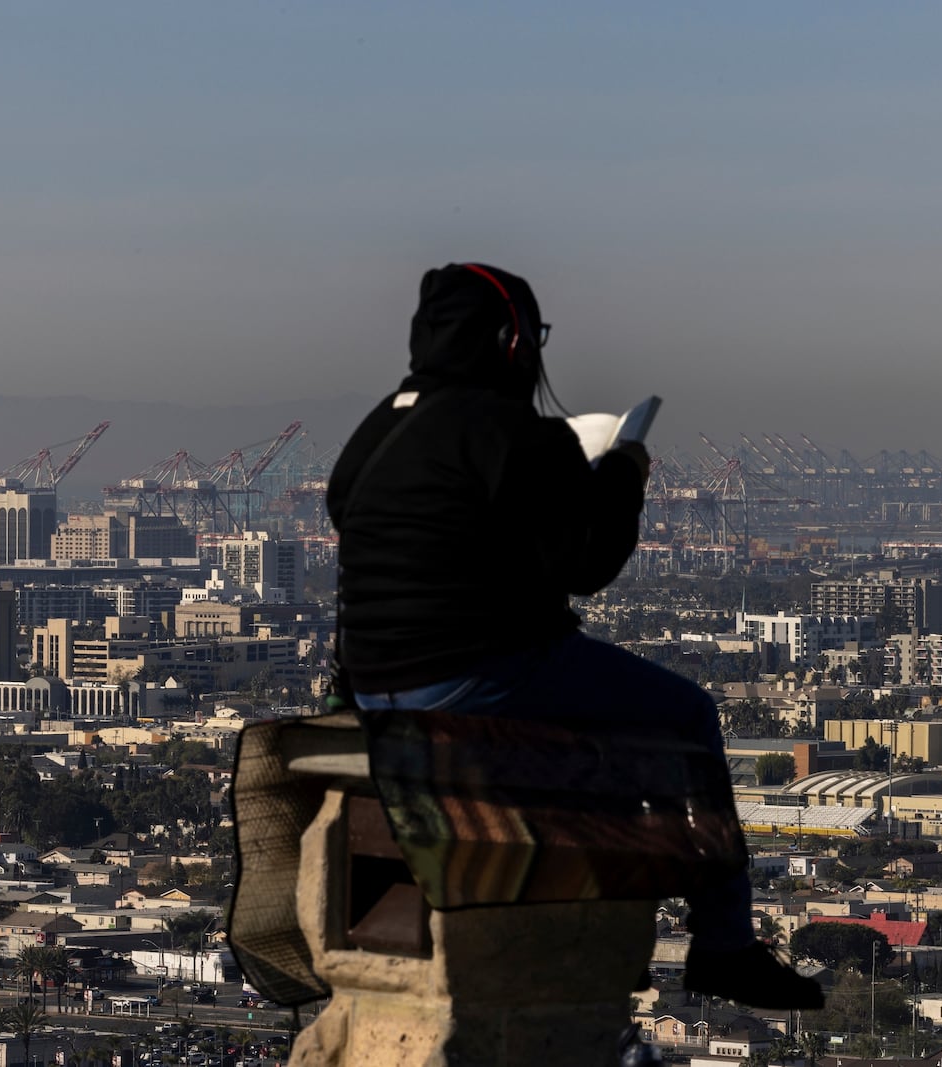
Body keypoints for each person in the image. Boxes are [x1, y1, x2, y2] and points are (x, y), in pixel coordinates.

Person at [326, 262, 822, 1011]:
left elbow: (357, 517)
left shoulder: (379, 426)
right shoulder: (505, 428)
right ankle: (724, 944)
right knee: (686, 714)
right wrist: (621, 473)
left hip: (371, 680)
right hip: (478, 672)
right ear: (511, 340)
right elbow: (587, 565)